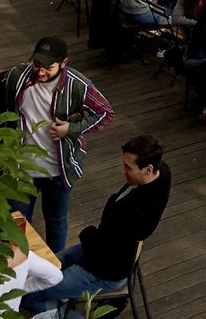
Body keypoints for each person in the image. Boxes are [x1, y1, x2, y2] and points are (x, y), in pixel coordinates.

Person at [21, 135, 171, 317]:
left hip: (103, 269)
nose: (122, 170)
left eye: (128, 167)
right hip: (102, 250)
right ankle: (58, 299)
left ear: (148, 169)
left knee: (28, 295)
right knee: (46, 268)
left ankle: (60, 310)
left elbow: (101, 250)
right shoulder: (162, 172)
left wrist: (87, 233)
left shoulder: (138, 215)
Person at [0, 36, 114, 254]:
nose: (40, 72)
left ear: (64, 63)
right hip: (21, 167)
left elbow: (105, 112)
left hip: (58, 170)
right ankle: (19, 264)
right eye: (37, 65)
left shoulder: (78, 85)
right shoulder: (18, 76)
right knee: (18, 221)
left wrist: (72, 128)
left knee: (56, 221)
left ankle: (55, 265)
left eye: (48, 68)